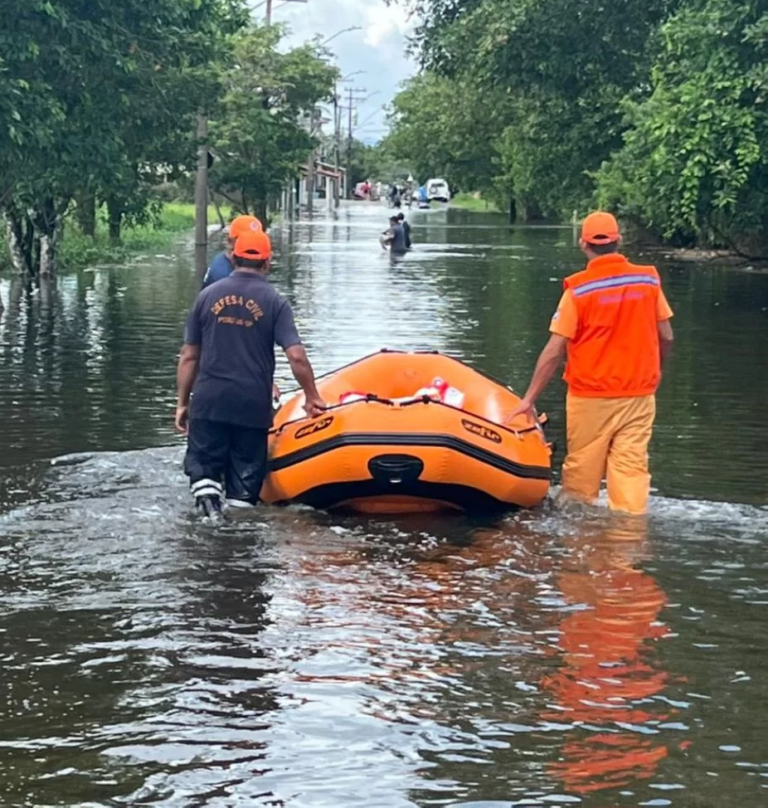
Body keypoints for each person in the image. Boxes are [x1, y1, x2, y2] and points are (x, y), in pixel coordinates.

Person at [507, 211, 674, 515]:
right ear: (618, 241)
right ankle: (628, 542)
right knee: (631, 474)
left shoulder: (579, 291)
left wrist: (528, 399)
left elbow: (555, 350)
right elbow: (667, 336)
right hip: (639, 394)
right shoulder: (648, 280)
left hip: (591, 397)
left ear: (583, 244)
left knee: (581, 483)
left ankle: (583, 550)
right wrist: (656, 372)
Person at [176, 227, 326, 516]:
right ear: (268, 263)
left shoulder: (206, 297)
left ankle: (208, 515)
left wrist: (183, 403)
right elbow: (296, 356)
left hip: (209, 401)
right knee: (243, 494)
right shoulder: (275, 302)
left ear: (233, 257)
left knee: (205, 474)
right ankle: (236, 537)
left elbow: (189, 357)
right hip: (252, 406)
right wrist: (311, 396)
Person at [201, 214, 262, 289]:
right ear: (229, 242)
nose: (252, 244)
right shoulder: (223, 275)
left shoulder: (241, 265)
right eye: (244, 240)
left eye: (257, 239)